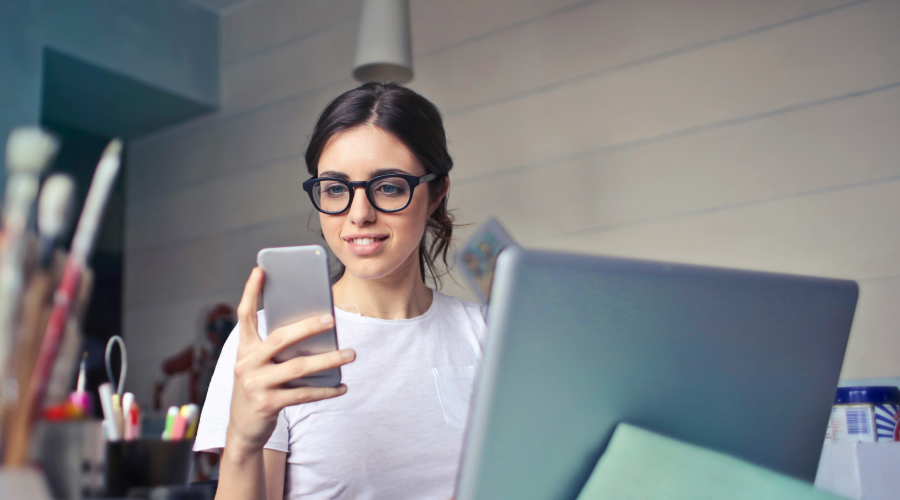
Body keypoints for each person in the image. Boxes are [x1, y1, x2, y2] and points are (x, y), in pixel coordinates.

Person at [194, 82, 487, 500]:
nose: (359, 214)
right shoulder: (268, 344)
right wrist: (242, 443)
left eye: (388, 186)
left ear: (437, 192)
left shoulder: (488, 334)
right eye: (335, 189)